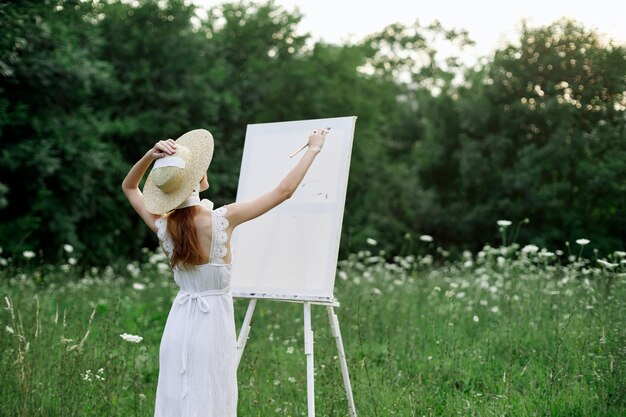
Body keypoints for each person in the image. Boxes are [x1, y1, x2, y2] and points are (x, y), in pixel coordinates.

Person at [121, 127, 328, 417]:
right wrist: (314, 148)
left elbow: (129, 187)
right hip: (212, 324)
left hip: (178, 324)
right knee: (212, 397)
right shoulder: (222, 219)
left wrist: (149, 156)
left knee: (177, 400)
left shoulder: (162, 225)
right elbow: (284, 191)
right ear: (195, 181)